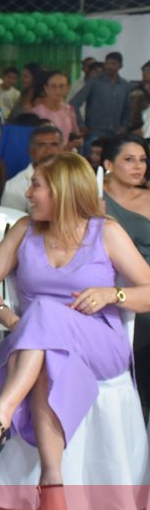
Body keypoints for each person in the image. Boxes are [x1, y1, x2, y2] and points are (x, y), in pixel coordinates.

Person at [0, 152, 150, 510]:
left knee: (42, 311)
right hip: (37, 345)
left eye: (36, 186)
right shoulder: (25, 230)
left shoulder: (105, 232)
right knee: (45, 351)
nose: (28, 194)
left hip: (99, 343)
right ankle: (53, 485)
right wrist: (13, 321)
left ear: (62, 191)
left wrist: (112, 293)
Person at [100, 134, 150, 408]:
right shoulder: (93, 198)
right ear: (108, 164)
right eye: (129, 159)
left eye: (142, 160)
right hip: (111, 285)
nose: (138, 166)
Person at [71, 52, 131, 148]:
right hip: (94, 132)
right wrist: (81, 125)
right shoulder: (94, 82)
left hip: (115, 134)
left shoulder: (125, 85)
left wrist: (124, 126)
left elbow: (127, 109)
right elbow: (74, 103)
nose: (109, 66)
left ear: (120, 66)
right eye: (107, 63)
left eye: (113, 63)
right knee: (92, 157)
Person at [0, 124, 63, 212]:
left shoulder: (73, 179)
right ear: (30, 151)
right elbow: (11, 219)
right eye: (42, 145)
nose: (48, 151)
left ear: (63, 150)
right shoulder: (15, 187)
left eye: (54, 145)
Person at [31, 71, 80, 148]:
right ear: (46, 88)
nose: (57, 90)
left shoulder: (68, 110)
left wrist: (77, 142)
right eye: (53, 86)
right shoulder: (37, 113)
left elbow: (76, 133)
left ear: (67, 88)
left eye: (61, 86)